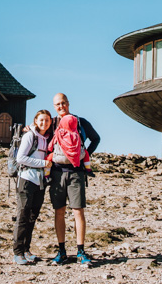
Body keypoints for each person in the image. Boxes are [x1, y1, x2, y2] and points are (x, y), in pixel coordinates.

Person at [49, 92, 100, 265]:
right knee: (59, 212)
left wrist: (85, 155)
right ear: (54, 107)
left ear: (68, 103)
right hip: (57, 173)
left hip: (76, 173)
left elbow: (96, 138)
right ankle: (62, 250)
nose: (61, 106)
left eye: (63, 103)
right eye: (57, 104)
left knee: (78, 211)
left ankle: (80, 251)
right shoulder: (51, 123)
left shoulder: (80, 122)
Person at [12, 110, 53, 265]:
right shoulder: (30, 136)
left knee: (32, 216)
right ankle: (18, 252)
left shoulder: (47, 137)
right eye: (41, 120)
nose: (44, 123)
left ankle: (26, 249)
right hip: (27, 179)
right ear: (36, 121)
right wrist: (43, 164)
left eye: (47, 120)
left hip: (40, 182)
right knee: (23, 215)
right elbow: (20, 158)